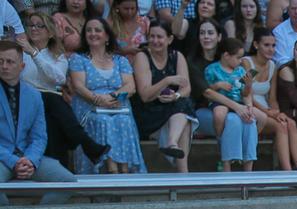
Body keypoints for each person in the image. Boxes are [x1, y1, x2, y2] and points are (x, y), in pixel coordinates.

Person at [19, 11, 109, 167]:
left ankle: (59, 169)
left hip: (47, 106)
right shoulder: (21, 53)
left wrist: (34, 54)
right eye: (31, 25)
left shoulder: (58, 55)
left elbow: (58, 78)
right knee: (53, 98)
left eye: (39, 26)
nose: (34, 29)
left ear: (50, 33)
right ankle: (87, 144)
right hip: (26, 98)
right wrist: (31, 52)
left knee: (52, 121)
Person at [0, 39, 77, 205]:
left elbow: (39, 136)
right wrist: (14, 162)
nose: (4, 66)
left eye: (10, 62)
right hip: (2, 158)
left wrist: (30, 160)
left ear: (22, 66)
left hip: (29, 158)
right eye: (0, 61)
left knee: (67, 181)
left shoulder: (34, 95)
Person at [68, 17, 146, 173]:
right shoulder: (78, 59)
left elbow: (130, 87)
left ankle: (125, 170)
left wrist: (112, 97)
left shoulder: (120, 60)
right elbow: (79, 86)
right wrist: (98, 100)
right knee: (103, 121)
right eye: (89, 30)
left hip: (117, 106)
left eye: (97, 30)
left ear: (107, 36)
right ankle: (111, 169)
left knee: (122, 120)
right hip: (89, 108)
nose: (92, 33)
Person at [132, 19, 197, 170]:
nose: (155, 41)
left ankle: (172, 144)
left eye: (160, 37)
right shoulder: (142, 57)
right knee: (185, 117)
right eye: (152, 36)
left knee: (183, 103)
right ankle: (183, 172)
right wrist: (167, 81)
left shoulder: (177, 56)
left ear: (170, 39)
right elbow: (145, 95)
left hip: (171, 110)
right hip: (147, 112)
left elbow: (186, 89)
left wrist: (176, 96)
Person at [245, 27, 297, 169]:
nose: (271, 49)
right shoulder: (247, 63)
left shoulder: (273, 65)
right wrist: (268, 112)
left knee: (289, 122)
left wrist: (277, 112)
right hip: (250, 108)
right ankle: (287, 171)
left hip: (267, 109)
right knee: (281, 126)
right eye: (266, 45)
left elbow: (272, 97)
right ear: (256, 45)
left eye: (273, 46)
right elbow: (246, 93)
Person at [205, 36, 261, 169]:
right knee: (227, 117)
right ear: (226, 55)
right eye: (238, 57)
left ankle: (248, 165)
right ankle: (226, 162)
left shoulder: (240, 71)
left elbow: (244, 94)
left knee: (251, 120)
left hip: (238, 102)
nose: (240, 61)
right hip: (220, 102)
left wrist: (248, 85)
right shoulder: (211, 69)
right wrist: (218, 85)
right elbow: (206, 90)